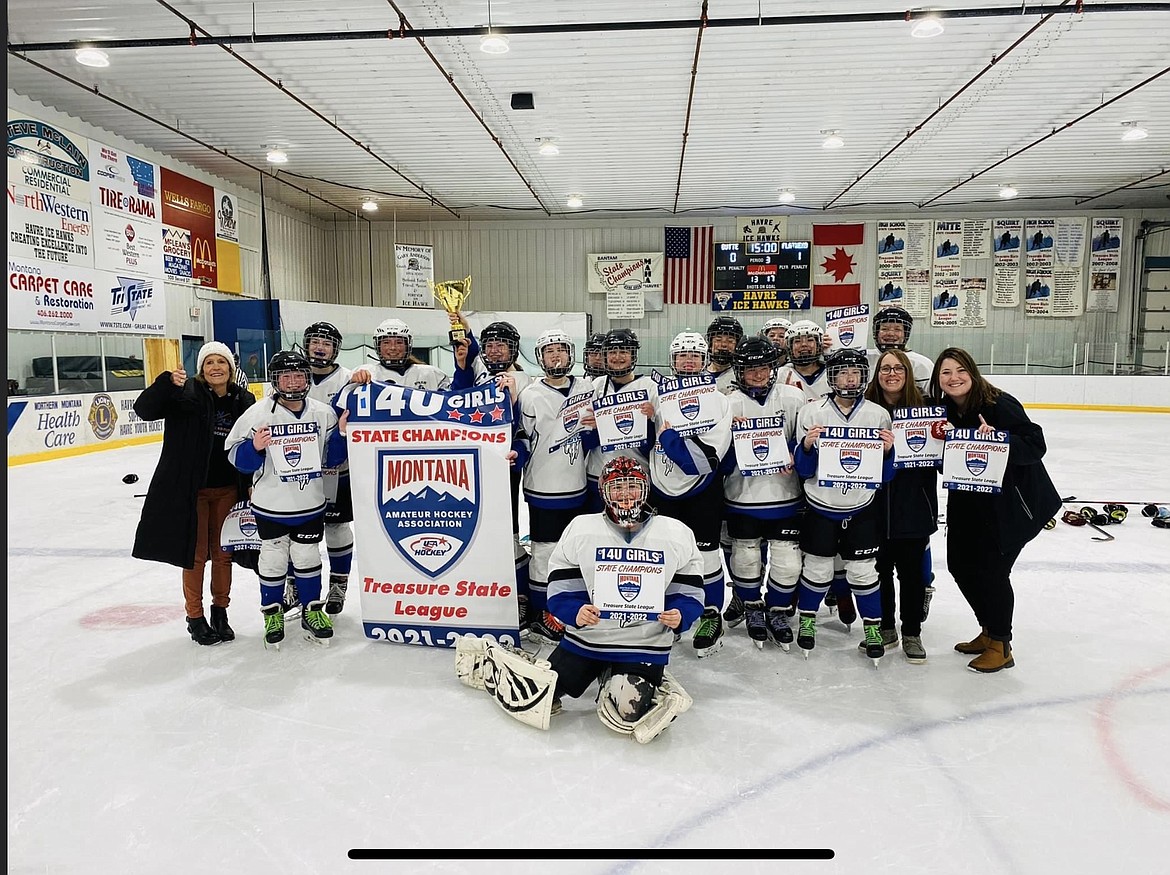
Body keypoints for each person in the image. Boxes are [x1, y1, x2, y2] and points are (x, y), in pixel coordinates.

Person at [929, 348, 1060, 672]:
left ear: (972, 372)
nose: (954, 378)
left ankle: (1001, 644)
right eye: (946, 372)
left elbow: (1035, 444)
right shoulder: (943, 412)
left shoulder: (997, 403)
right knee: (960, 565)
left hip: (1012, 504)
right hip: (968, 501)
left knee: (993, 573)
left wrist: (1001, 440)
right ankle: (988, 629)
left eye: (960, 370)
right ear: (938, 379)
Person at [132, 341, 256, 645]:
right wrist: (165, 384)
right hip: (194, 490)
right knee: (196, 556)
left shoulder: (244, 400)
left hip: (229, 489)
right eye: (209, 362)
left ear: (231, 367)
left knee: (224, 554)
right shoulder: (185, 394)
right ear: (202, 369)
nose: (216, 367)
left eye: (221, 362)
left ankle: (220, 612)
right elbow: (144, 409)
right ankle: (195, 617)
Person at [226, 351, 349, 649]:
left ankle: (312, 610)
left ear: (307, 378)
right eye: (286, 376)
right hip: (271, 505)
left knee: (308, 557)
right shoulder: (257, 414)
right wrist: (253, 447)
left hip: (310, 503)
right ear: (275, 380)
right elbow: (235, 457)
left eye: (298, 375)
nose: (292, 382)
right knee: (272, 557)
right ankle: (272, 612)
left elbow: (332, 458)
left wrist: (342, 435)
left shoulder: (322, 412)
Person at [794, 348, 895, 662]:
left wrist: (889, 453)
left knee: (864, 572)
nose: (850, 378)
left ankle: (873, 628)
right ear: (832, 376)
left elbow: (886, 473)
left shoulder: (878, 414)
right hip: (821, 505)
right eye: (842, 372)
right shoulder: (812, 412)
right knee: (818, 568)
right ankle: (808, 620)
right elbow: (803, 468)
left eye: (855, 372)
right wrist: (807, 446)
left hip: (861, 506)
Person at [647, 332, 732, 656]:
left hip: (701, 492)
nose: (687, 361)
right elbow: (648, 447)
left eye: (694, 356)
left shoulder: (719, 401)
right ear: (672, 360)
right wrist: (643, 423)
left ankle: (711, 615)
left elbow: (702, 461)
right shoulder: (657, 399)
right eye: (681, 355)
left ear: (704, 359)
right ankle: (672, 613)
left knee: (706, 557)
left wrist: (669, 439)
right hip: (661, 489)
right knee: (665, 556)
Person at [513, 329, 598, 643]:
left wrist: (596, 430)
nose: (556, 356)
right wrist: (516, 455)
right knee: (544, 552)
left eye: (561, 350)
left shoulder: (587, 387)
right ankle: (541, 613)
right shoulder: (531, 395)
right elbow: (522, 436)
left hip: (579, 485)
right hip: (543, 489)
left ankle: (567, 609)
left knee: (575, 553)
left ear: (570, 354)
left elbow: (594, 436)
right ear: (540, 358)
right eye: (550, 352)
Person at [722, 337, 805, 652]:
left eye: (764, 367)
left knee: (787, 563)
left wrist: (797, 455)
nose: (758, 374)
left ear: (773, 367)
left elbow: (803, 447)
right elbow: (721, 461)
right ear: (740, 370)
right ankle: (753, 607)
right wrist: (732, 439)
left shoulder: (793, 398)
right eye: (750, 368)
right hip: (742, 497)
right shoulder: (727, 403)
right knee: (745, 558)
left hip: (785, 496)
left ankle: (778, 610)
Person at [863, 349, 938, 664]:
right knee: (878, 571)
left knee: (911, 575)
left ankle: (912, 632)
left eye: (898, 369)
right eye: (884, 369)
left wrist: (947, 438)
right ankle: (885, 627)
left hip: (913, 506)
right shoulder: (863, 411)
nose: (891, 374)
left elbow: (947, 455)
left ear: (908, 373)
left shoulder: (929, 410)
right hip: (873, 506)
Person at [302, 322, 354, 615]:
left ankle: (338, 585)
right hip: (297, 469)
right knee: (297, 528)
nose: (320, 347)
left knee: (336, 525)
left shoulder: (347, 378)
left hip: (338, 467)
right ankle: (295, 584)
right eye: (315, 341)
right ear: (307, 344)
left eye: (327, 342)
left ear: (335, 348)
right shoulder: (293, 373)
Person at [350, 317, 451, 391]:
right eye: (386, 343)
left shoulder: (431, 375)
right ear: (378, 346)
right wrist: (352, 383)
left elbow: (453, 401)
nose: (393, 347)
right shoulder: (366, 373)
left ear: (408, 345)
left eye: (399, 342)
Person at [870, 307, 932, 391]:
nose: (890, 333)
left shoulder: (922, 364)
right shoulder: (865, 358)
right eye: (884, 329)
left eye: (897, 329)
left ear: (905, 333)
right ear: (876, 332)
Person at [704, 315, 744, 393]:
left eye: (730, 341)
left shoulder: (743, 376)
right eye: (718, 339)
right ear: (710, 343)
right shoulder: (698, 375)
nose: (724, 344)